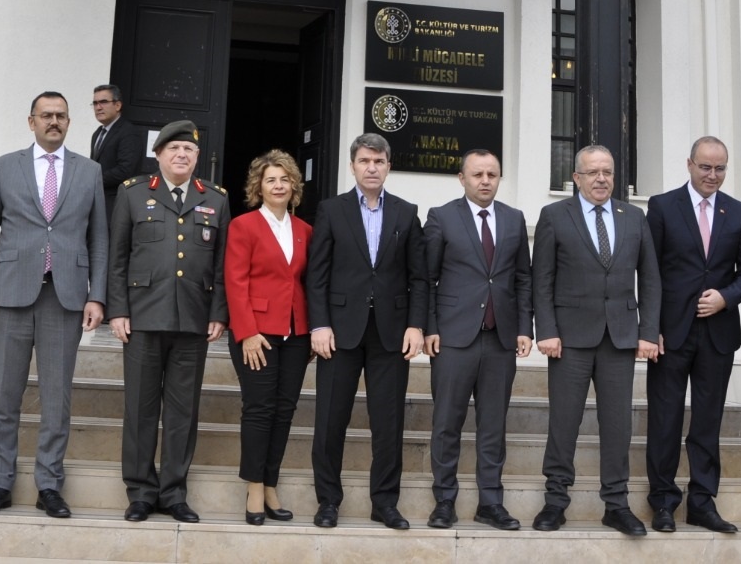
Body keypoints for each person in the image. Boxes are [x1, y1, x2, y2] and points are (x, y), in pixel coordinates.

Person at [0, 92, 107, 519]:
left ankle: (49, 483)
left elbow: (99, 238)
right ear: (31, 122)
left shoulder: (90, 171)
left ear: (69, 122)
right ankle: (0, 482)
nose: (53, 122)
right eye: (45, 116)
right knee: (4, 396)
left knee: (56, 398)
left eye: (61, 116)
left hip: (64, 297)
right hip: (9, 294)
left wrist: (97, 295)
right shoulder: (5, 166)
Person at [531, 144, 660, 538]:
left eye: (607, 171)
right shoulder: (555, 216)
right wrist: (547, 330)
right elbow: (542, 280)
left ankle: (616, 504)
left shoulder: (635, 217)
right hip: (569, 338)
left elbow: (651, 279)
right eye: (593, 172)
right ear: (576, 178)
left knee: (618, 425)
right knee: (564, 422)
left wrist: (648, 332)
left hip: (620, 338)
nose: (602, 178)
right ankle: (555, 501)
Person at [107, 120, 229, 523]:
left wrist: (218, 314)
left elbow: (222, 264)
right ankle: (141, 491)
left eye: (189, 150)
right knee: (140, 409)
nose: (181, 155)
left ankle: (174, 492)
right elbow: (117, 257)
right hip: (142, 317)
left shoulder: (215, 198)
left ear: (197, 157)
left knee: (182, 411)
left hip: (193, 320)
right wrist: (118, 309)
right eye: (173, 148)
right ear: (158, 154)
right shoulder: (133, 194)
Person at [306, 133, 427, 531]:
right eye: (364, 161)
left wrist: (416, 325)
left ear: (389, 166)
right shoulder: (331, 210)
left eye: (379, 161)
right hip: (339, 332)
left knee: (388, 421)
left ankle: (385, 502)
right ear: (353, 166)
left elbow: (419, 277)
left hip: (391, 334)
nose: (372, 167)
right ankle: (328, 501)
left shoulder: (407, 213)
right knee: (330, 419)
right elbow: (317, 275)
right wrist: (319, 324)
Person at [643, 136, 741, 534]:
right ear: (689, 164)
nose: (713, 175)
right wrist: (650, 326)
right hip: (670, 333)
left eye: (720, 168)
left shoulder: (738, 211)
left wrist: (726, 298)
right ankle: (662, 501)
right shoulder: (661, 206)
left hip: (717, 334)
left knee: (707, 421)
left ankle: (702, 502)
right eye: (706, 167)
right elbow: (649, 269)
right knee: (665, 418)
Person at [422, 149, 532, 531]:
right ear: (462, 178)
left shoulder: (514, 220)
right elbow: (427, 278)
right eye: (478, 174)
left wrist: (524, 328)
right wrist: (430, 326)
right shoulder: (441, 217)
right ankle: (444, 500)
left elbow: (522, 279)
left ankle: (490, 501)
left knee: (492, 424)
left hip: (500, 338)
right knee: (447, 422)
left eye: (492, 174)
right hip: (453, 337)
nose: (485, 180)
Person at [224, 149, 311, 527]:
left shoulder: (305, 230)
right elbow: (235, 281)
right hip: (256, 333)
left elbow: (306, 281)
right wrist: (246, 332)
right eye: (270, 179)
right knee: (259, 410)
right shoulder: (243, 225)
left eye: (284, 179)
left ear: (294, 186)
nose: (278, 185)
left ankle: (271, 482)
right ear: (258, 186)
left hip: (295, 334)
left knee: (284, 410)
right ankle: (255, 486)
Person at [90, 84, 145, 213]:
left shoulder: (129, 132)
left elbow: (125, 171)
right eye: (95, 103)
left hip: (116, 205)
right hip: (97, 203)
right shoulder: (98, 133)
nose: (98, 107)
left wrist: (93, 180)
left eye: (103, 102)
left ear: (118, 105)